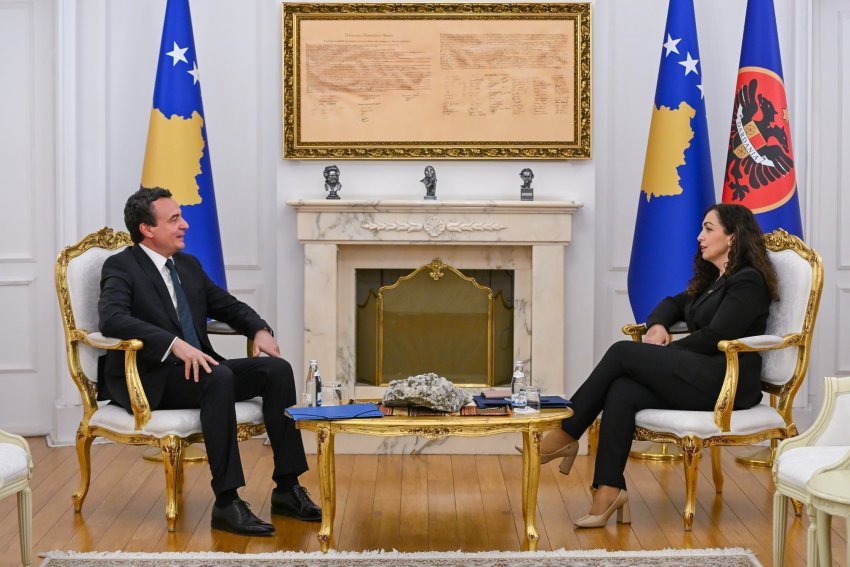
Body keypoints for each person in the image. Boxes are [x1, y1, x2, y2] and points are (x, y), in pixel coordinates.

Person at [534, 203, 778, 528]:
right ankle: (609, 490)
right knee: (623, 390)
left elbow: (717, 337)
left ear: (732, 237)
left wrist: (665, 354)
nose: (699, 236)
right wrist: (659, 325)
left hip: (727, 382)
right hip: (700, 375)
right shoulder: (714, 280)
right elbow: (672, 303)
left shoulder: (748, 281)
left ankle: (567, 431)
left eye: (708, 229)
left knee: (622, 353)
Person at [98, 188, 321, 536]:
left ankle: (287, 488)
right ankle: (227, 502)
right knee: (218, 377)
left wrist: (259, 329)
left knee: (276, 370)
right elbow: (112, 319)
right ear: (147, 229)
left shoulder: (187, 265)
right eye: (174, 219)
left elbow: (227, 306)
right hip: (153, 378)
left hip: (200, 370)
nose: (185, 225)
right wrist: (173, 344)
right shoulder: (121, 266)